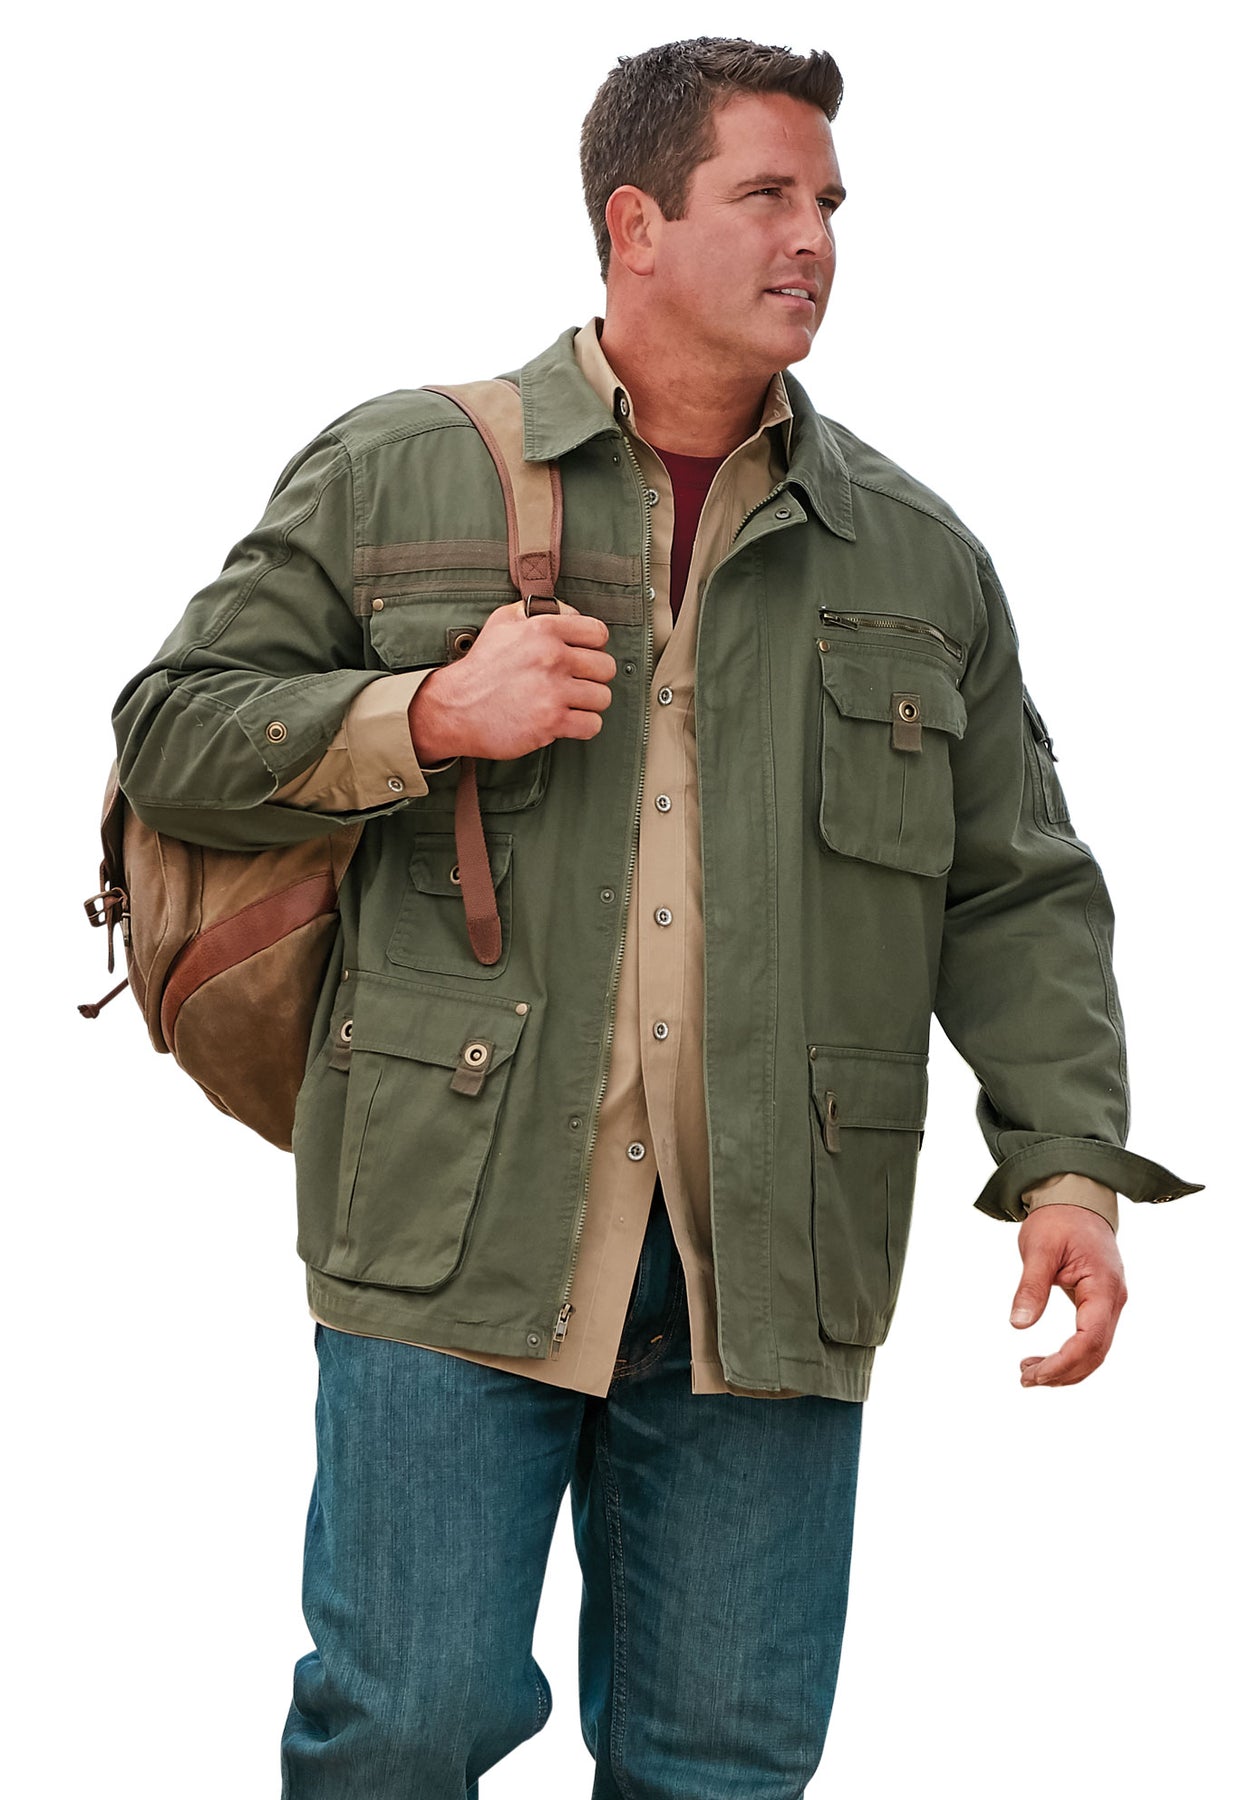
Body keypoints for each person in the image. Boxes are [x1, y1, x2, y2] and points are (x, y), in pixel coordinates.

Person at [112, 36, 1198, 1800]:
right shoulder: (401, 472)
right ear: (633, 224)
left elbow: (1018, 888)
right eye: (766, 194)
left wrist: (1067, 1171)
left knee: (724, 1768)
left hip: (772, 1253)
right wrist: (424, 714)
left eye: (829, 201)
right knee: (402, 1724)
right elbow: (170, 734)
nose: (814, 238)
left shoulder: (915, 556)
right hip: (450, 1226)